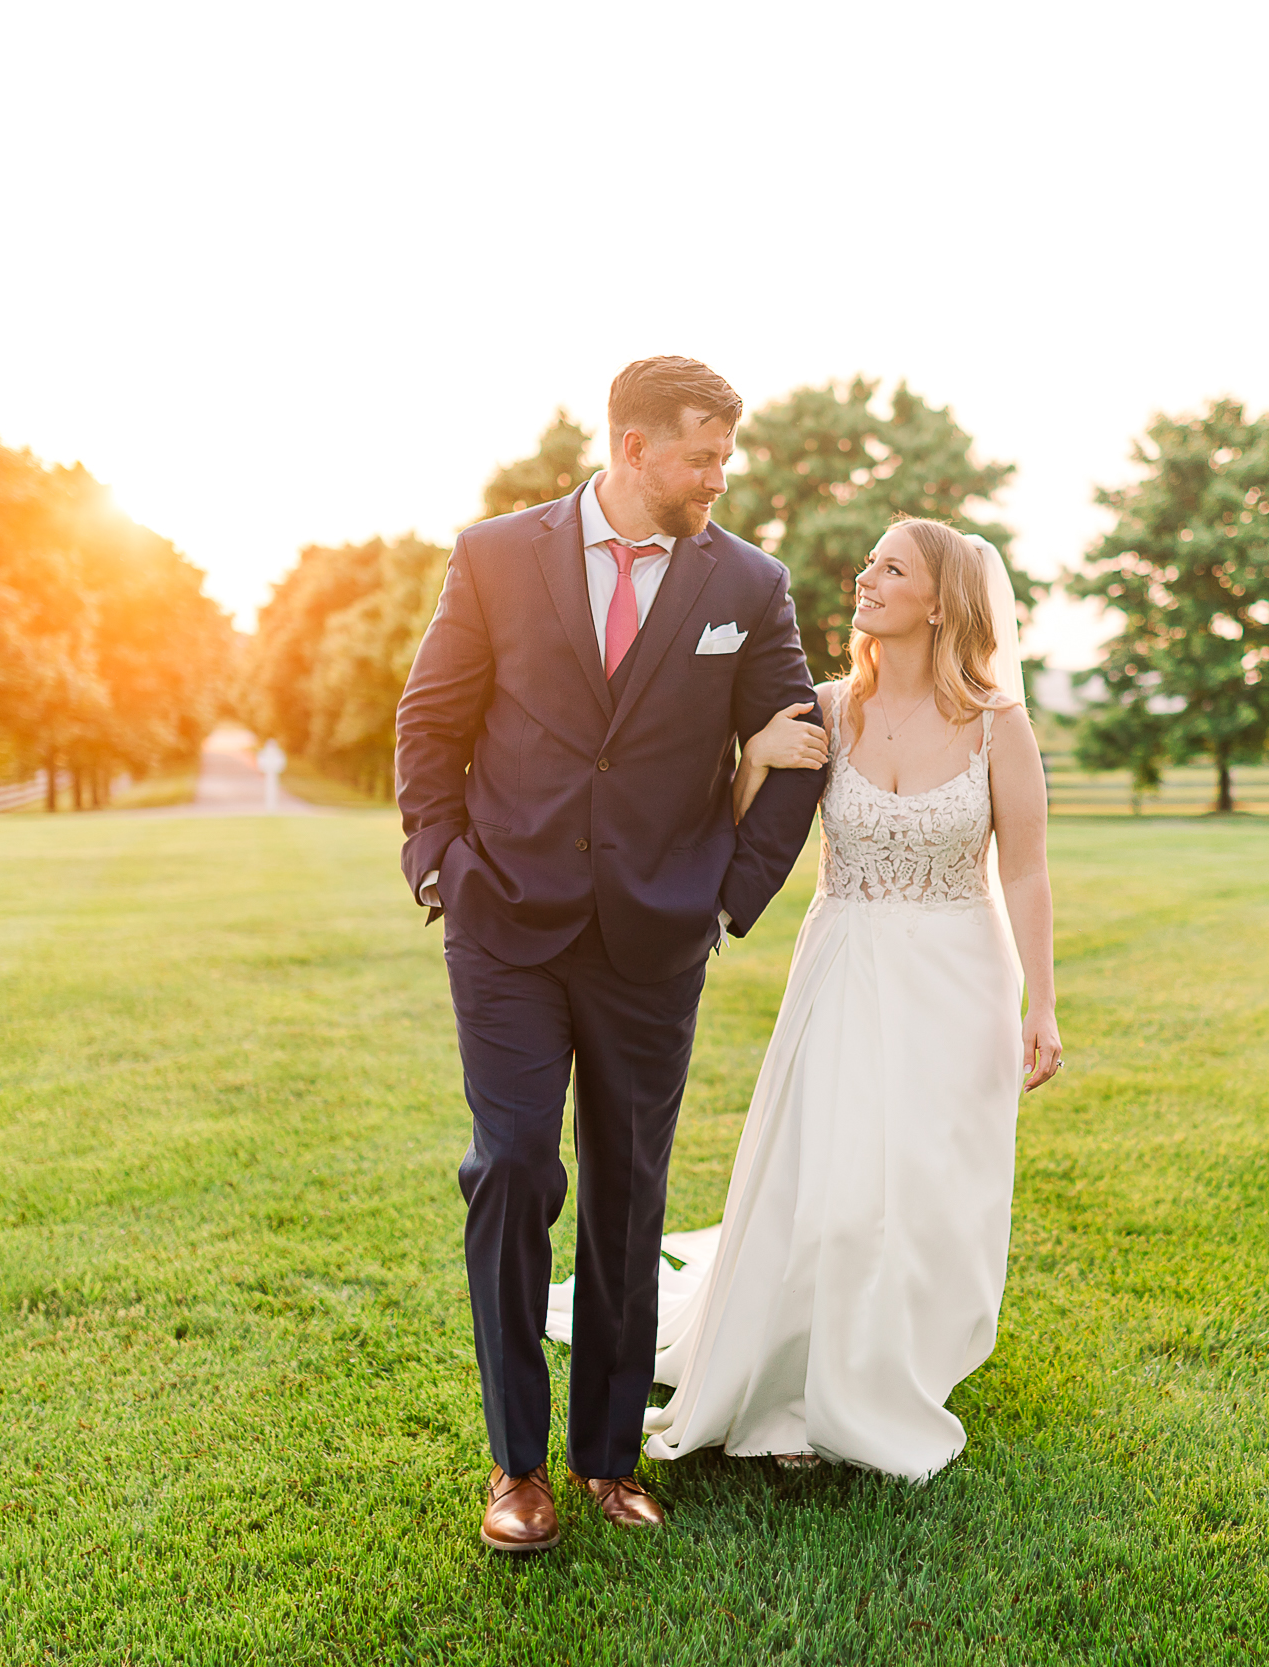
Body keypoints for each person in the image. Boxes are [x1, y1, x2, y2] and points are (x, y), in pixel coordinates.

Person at [394, 357, 825, 1552]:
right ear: (633, 448)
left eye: (724, 454)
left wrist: (726, 894)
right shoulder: (495, 556)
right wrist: (435, 859)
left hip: (655, 934)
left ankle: (604, 1456)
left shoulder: (748, 582)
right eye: (701, 454)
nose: (718, 475)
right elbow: (430, 718)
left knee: (629, 1189)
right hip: (505, 925)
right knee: (513, 1165)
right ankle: (515, 1463)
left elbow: (800, 742)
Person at [548, 516, 1062, 1480]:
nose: (866, 578)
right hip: (845, 966)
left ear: (940, 603)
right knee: (833, 1184)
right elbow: (738, 829)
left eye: (891, 568)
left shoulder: (1000, 723)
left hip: (960, 975)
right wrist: (752, 759)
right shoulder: (826, 709)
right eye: (870, 562)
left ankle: (900, 1367)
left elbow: (1026, 870)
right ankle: (806, 1382)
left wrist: (1043, 1003)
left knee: (931, 1189)